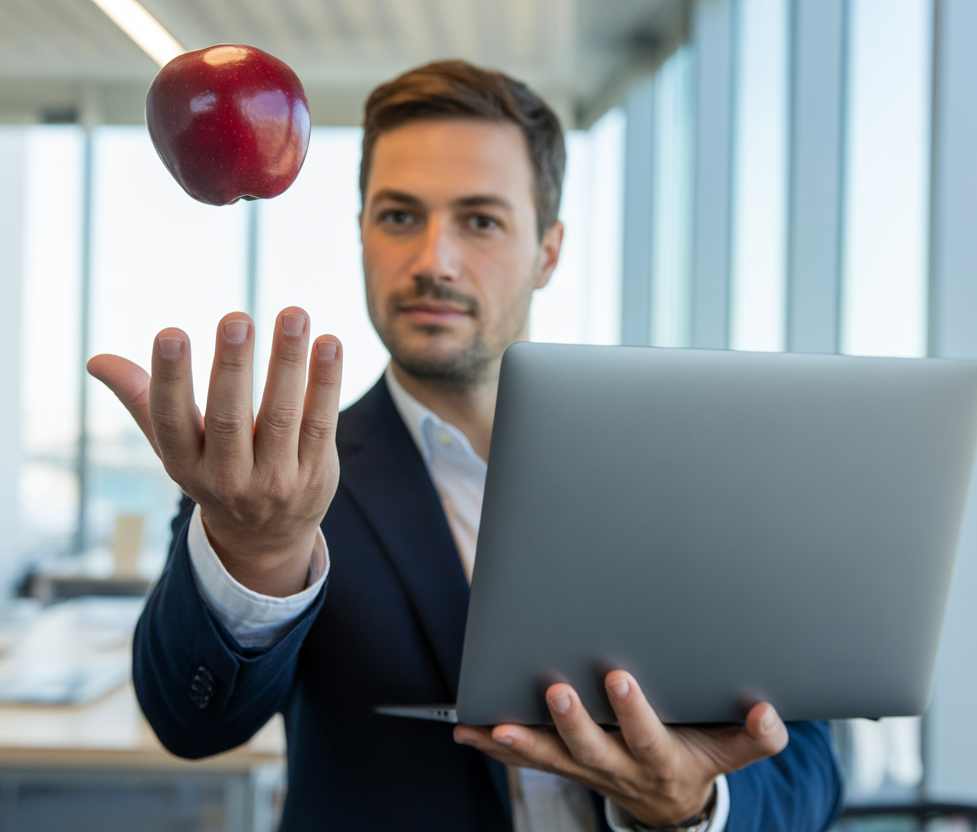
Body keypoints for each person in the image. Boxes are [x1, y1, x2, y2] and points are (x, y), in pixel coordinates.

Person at [90, 60, 842, 831]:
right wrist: (257, 555)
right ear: (359, 234)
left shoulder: (689, 479)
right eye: (398, 216)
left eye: (480, 221)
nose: (432, 262)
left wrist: (693, 804)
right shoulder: (271, 484)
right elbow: (191, 723)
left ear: (548, 252)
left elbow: (808, 769)